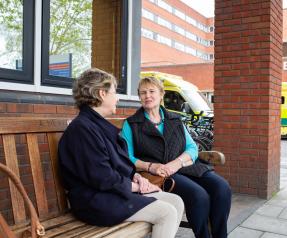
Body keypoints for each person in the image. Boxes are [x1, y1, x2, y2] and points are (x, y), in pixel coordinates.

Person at [58, 68, 184, 238]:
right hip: (95, 201)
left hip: (111, 193)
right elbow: (102, 177)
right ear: (102, 94)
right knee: (166, 213)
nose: (117, 97)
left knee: (176, 201)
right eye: (114, 92)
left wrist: (137, 177)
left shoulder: (95, 125)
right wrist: (138, 187)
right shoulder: (82, 130)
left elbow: (117, 164)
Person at [121, 76, 232, 238]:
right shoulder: (131, 124)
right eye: (143, 93)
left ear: (161, 94)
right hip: (159, 174)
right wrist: (150, 166)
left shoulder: (175, 119)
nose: (147, 96)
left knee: (222, 188)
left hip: (185, 167)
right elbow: (126, 157)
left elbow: (192, 148)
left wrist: (177, 163)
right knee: (199, 195)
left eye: (152, 91)